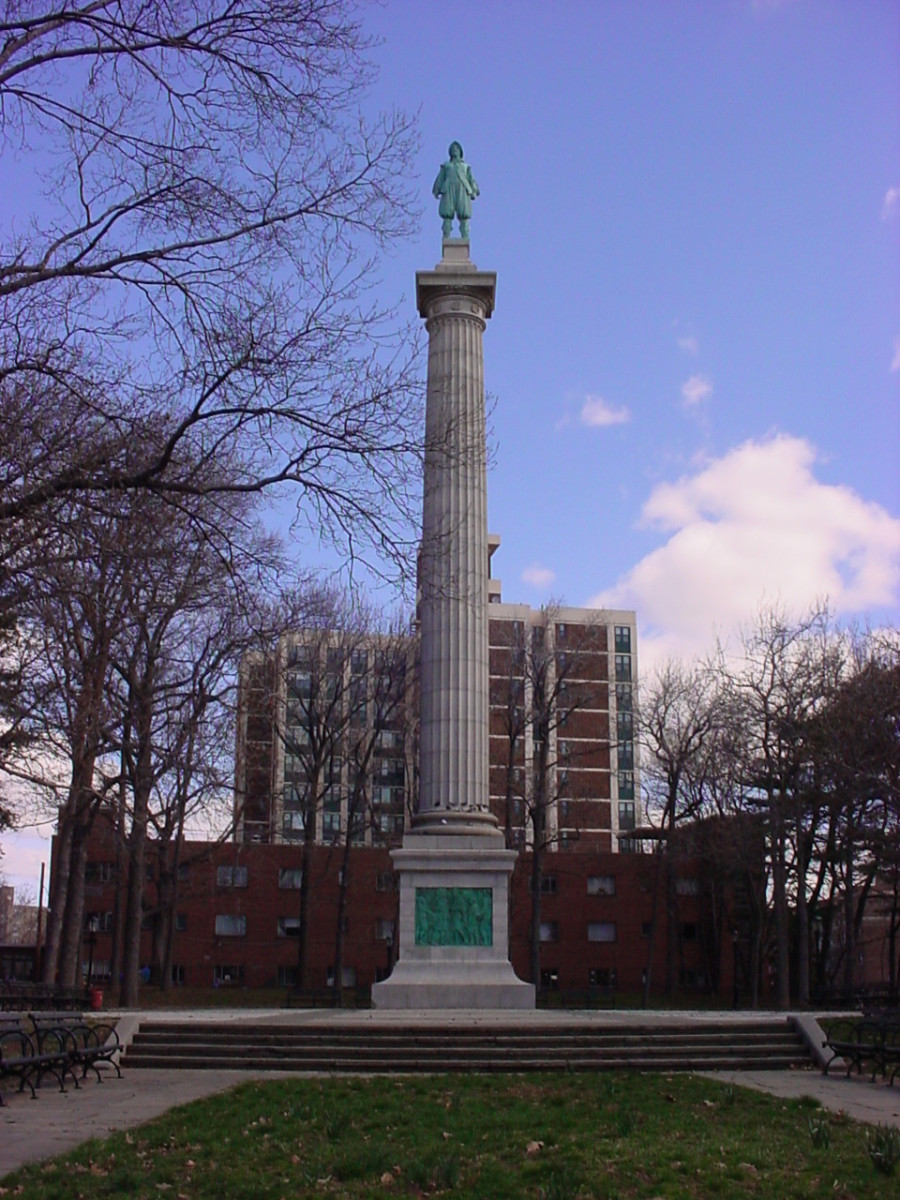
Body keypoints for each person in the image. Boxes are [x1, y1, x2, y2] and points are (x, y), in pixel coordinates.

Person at [432, 141, 479, 239]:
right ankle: (446, 235)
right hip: (448, 189)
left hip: (463, 189)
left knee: (464, 214)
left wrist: (473, 191)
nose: (455, 150)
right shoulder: (446, 166)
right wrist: (437, 189)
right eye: (453, 148)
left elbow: (471, 179)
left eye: (457, 149)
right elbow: (440, 178)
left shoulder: (465, 166)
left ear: (460, 151)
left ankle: (465, 236)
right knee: (447, 214)